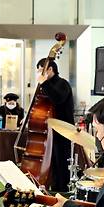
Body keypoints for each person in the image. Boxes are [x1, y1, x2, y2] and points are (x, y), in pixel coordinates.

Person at [36, 58, 74, 192]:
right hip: (50, 129)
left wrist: (44, 83)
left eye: (41, 70)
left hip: (63, 129)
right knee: (53, 162)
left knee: (61, 161)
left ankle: (63, 190)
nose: (39, 73)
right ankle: (53, 187)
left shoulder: (62, 84)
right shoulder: (47, 84)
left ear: (50, 69)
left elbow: (57, 99)